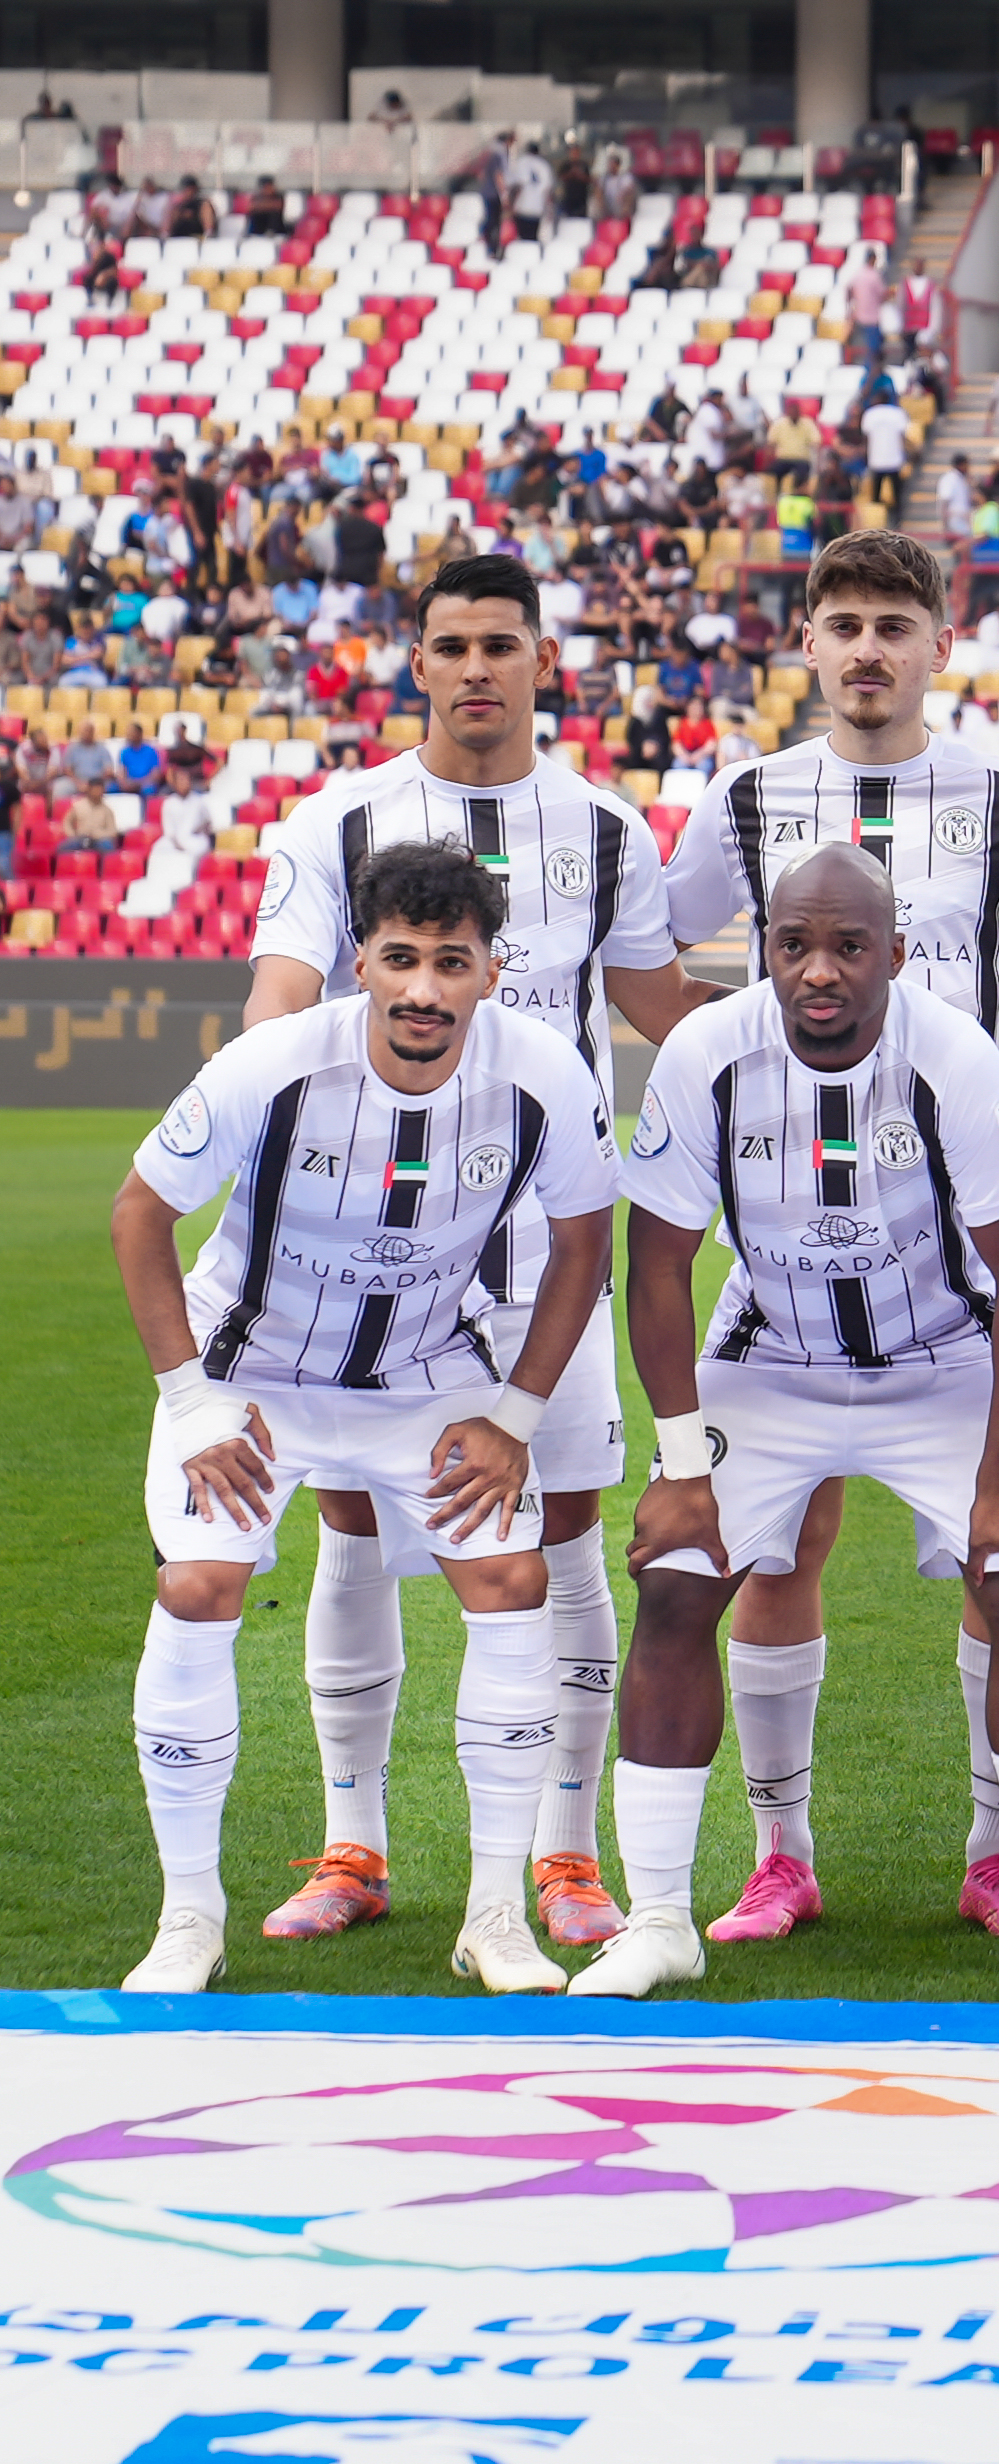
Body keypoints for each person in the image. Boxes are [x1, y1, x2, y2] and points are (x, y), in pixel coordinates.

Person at [244, 554, 721, 1953]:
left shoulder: (607, 826)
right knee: (352, 1526)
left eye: (499, 644)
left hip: (541, 1246)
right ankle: (356, 1844)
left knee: (564, 1535)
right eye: (449, 644)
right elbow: (284, 995)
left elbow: (652, 1006)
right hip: (366, 1246)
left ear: (540, 659)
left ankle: (566, 1859)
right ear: (418, 662)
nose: (474, 668)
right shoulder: (339, 821)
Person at [575, 844, 999, 2004]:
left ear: (896, 956)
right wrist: (683, 1464)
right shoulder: (707, 1050)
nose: (818, 970)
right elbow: (654, 1270)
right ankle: (663, 1916)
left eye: (848, 946)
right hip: (774, 1358)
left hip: (944, 1355)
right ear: (761, 947)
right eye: (793, 943)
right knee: (674, 1576)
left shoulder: (950, 1053)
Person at [108, 841, 621, 1994]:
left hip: (424, 1372)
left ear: (495, 970)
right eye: (401, 959)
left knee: (511, 1578)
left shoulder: (543, 1072)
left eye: (452, 961)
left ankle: (497, 1915)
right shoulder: (275, 1063)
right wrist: (190, 1403)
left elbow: (585, 1240)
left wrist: (516, 1417)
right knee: (199, 1583)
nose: (425, 989)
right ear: (360, 964)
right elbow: (141, 1213)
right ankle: (188, 1919)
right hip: (253, 1374)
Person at [659, 526, 999, 1947]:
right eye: (842, 624)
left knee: (995, 1554)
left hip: (950, 1233)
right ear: (811, 645)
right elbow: (647, 958)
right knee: (779, 1551)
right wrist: (737, 1077)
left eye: (895, 623)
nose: (868, 649)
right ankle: (781, 1855)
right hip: (786, 1234)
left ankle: (995, 1848)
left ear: (939, 641)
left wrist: (956, 1089)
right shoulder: (750, 797)